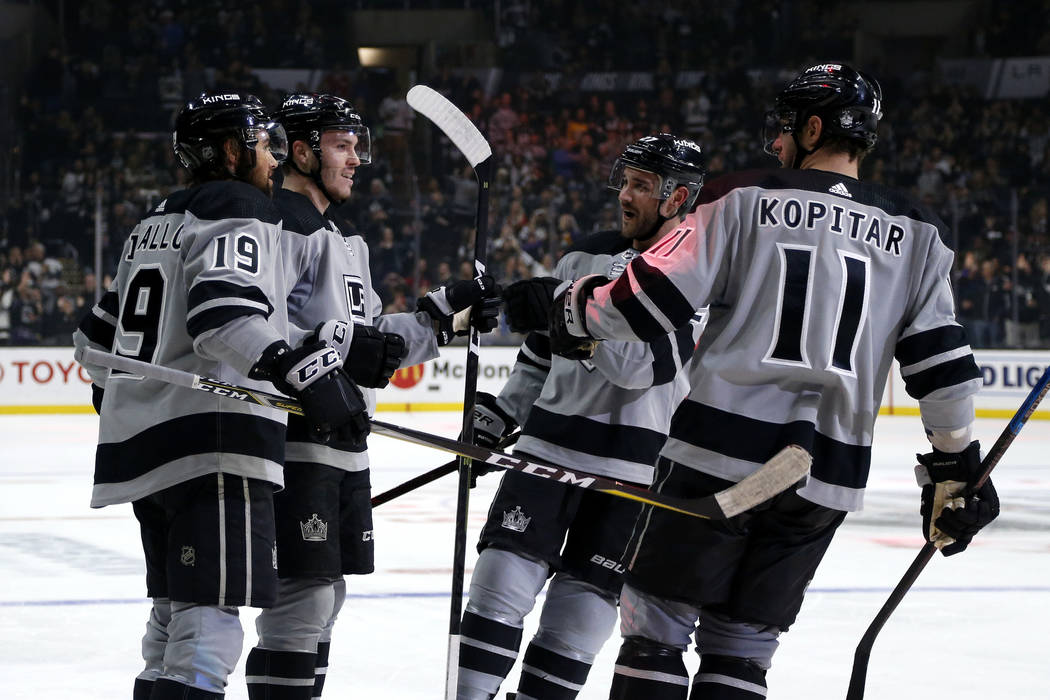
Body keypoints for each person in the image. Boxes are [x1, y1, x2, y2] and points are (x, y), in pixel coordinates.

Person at [546, 64, 999, 699]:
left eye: (785, 131)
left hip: (718, 456)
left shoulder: (742, 197)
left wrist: (573, 307)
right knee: (745, 647)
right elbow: (942, 368)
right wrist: (956, 468)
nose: (777, 146)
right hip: (823, 479)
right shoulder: (918, 233)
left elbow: (647, 302)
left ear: (814, 128)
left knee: (656, 627)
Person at [72, 93, 370, 700]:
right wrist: (305, 374)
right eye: (263, 145)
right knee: (209, 633)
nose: (272, 158)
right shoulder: (238, 204)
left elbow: (92, 343)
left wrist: (131, 398)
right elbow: (225, 316)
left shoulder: (151, 221)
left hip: (142, 454)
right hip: (213, 443)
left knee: (171, 627)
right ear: (232, 151)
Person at [244, 93, 502, 700]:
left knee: (325, 598)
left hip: (344, 444)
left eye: (357, 145)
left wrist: (444, 318)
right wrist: (337, 345)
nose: (357, 158)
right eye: (343, 145)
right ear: (302, 152)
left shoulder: (346, 238)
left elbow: (372, 344)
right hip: (298, 438)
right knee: (300, 602)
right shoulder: (279, 223)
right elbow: (262, 330)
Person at [456, 135, 708, 700]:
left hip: (637, 477)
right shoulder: (584, 256)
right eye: (626, 181)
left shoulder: (698, 275)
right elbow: (539, 357)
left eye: (642, 186)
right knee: (497, 587)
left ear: (678, 197)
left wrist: (570, 312)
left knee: (578, 621)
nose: (625, 194)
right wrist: (499, 415)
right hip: (547, 451)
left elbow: (645, 368)